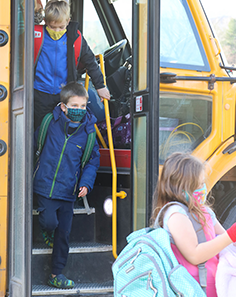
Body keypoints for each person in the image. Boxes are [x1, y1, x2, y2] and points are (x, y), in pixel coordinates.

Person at [33, 82, 100, 288]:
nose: (79, 110)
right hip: (45, 187)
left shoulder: (88, 133)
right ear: (64, 106)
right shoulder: (48, 124)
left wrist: (86, 183)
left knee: (64, 233)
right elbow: (34, 146)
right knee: (50, 223)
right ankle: (47, 231)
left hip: (69, 192)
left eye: (83, 106)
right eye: (75, 106)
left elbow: (92, 161)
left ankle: (56, 274)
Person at [150, 152, 236, 297]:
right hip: (195, 289)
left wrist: (231, 238)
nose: (203, 189)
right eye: (199, 184)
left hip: (213, 287)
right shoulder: (176, 215)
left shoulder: (203, 211)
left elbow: (226, 241)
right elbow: (195, 255)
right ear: (181, 187)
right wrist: (231, 234)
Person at [34, 0, 110, 130]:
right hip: (39, 91)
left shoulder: (76, 38)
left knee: (63, 129)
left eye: (61, 27)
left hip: (64, 93)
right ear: (45, 22)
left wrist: (100, 86)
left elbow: (91, 63)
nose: (56, 31)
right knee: (40, 129)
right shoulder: (36, 36)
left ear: (68, 22)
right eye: (52, 27)